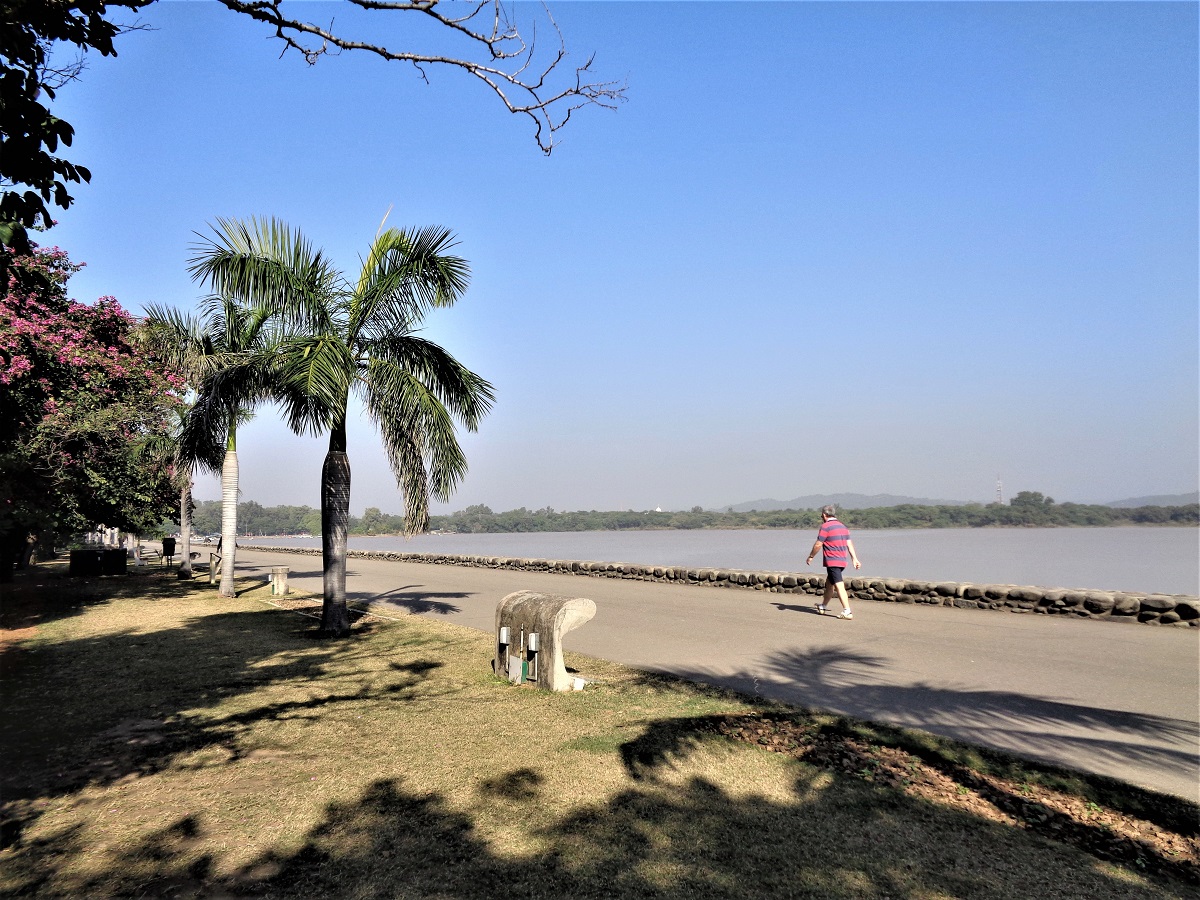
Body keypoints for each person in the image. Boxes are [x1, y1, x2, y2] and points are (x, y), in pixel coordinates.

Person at [806, 505, 861, 619]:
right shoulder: (843, 526)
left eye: (822, 515)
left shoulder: (826, 526)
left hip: (833, 561)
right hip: (842, 561)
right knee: (829, 584)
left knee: (839, 585)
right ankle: (823, 605)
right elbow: (849, 544)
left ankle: (847, 611)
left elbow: (818, 544)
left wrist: (811, 556)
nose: (821, 516)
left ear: (825, 515)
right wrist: (854, 559)